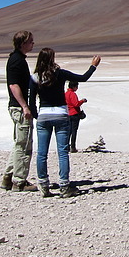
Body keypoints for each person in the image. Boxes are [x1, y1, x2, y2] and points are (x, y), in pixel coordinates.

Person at [31, 48, 101, 198]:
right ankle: (64, 186)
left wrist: (38, 116)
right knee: (63, 152)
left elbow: (31, 101)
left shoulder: (35, 77)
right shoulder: (60, 73)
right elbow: (83, 78)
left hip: (44, 116)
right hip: (61, 115)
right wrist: (93, 66)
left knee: (42, 153)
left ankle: (43, 185)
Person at [2, 30, 38, 192]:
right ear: (23, 43)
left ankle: (8, 178)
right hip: (19, 108)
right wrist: (25, 106)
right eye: (30, 41)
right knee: (24, 145)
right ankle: (20, 182)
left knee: (19, 144)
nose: (33, 43)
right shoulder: (17, 61)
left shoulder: (17, 59)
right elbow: (14, 85)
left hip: (17, 106)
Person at [65, 81, 87, 153]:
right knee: (74, 131)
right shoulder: (72, 94)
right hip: (74, 114)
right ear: (74, 86)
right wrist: (82, 101)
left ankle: (66, 146)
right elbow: (76, 104)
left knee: (69, 131)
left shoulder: (66, 94)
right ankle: (73, 147)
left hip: (68, 114)